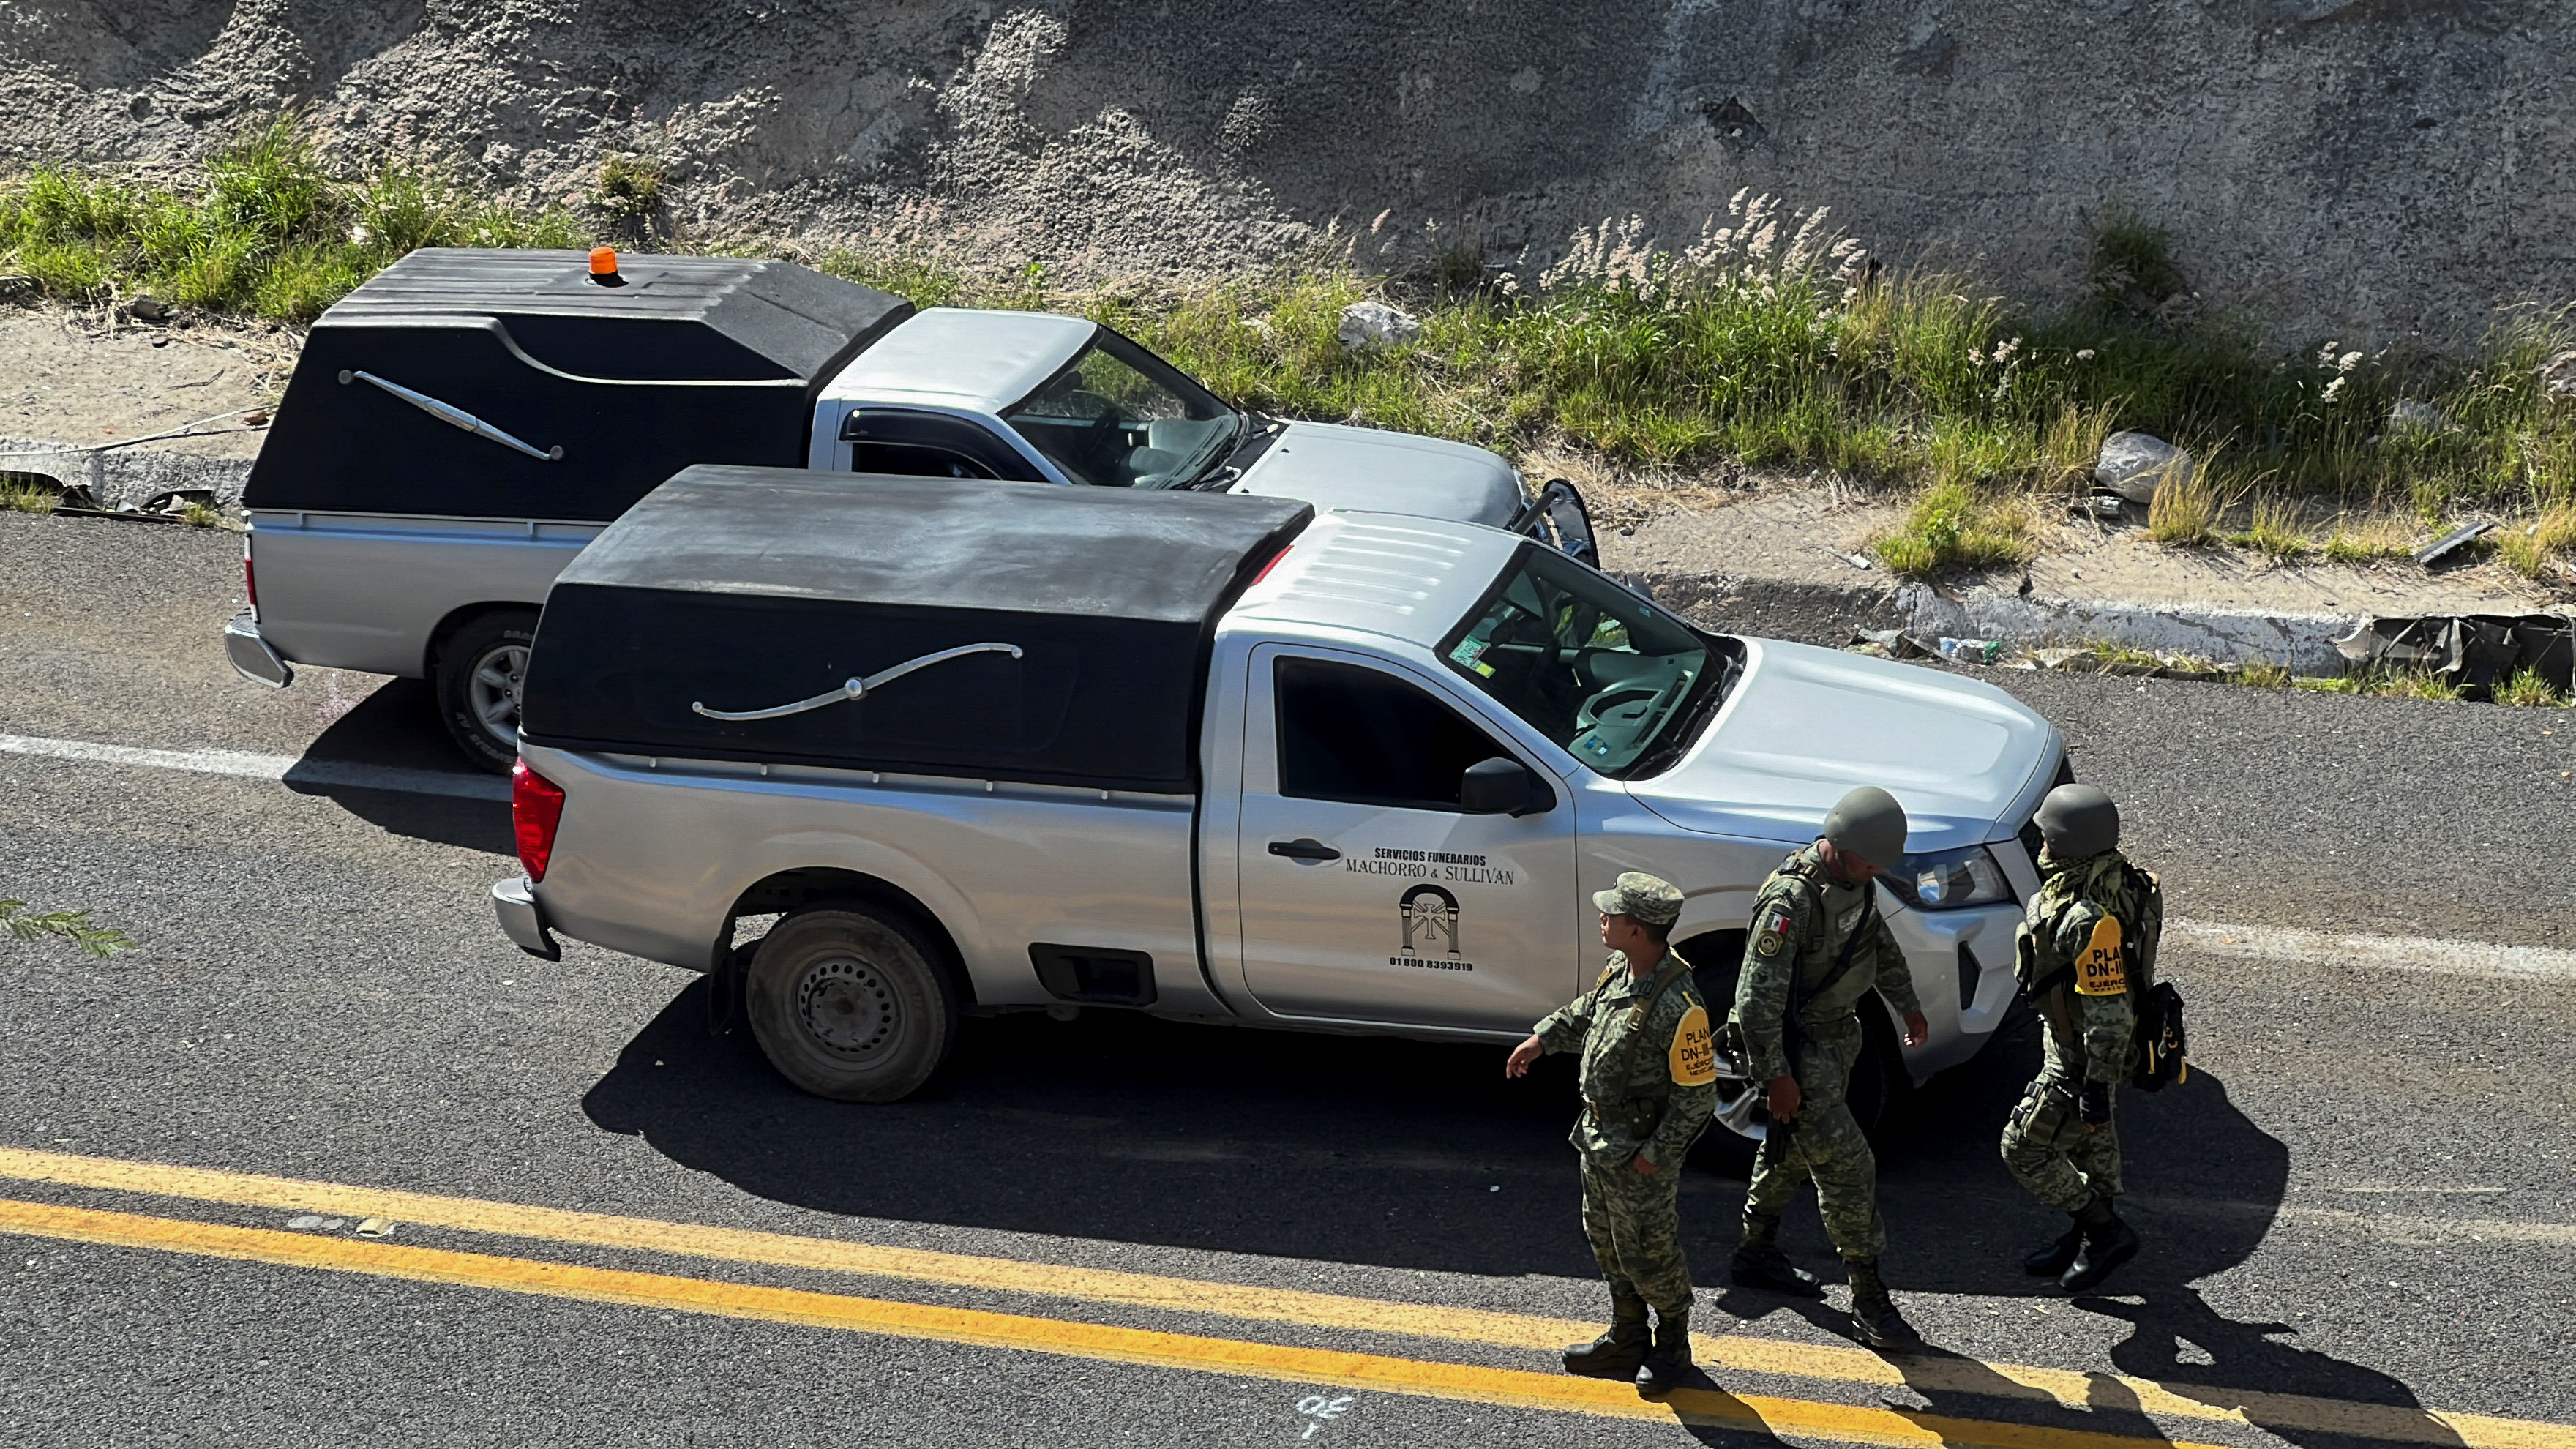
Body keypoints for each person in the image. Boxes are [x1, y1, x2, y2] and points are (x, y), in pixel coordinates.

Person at [1727, 786, 1930, 1349]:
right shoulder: (1790, 902)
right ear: (1838, 846)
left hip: (1839, 1041)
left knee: (1788, 1154)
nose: (1874, 872)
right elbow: (1755, 1003)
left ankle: (1754, 1252)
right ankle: (1869, 1299)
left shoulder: (1856, 883)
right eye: (1867, 862)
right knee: (1850, 1168)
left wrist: (1908, 1003)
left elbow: (1878, 943)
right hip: (1799, 1051)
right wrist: (1777, 1078)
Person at [1506, 872, 1717, 1396]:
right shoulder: (1620, 968)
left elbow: (1698, 1097)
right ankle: (1627, 1334)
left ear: (1639, 930)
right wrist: (1543, 1039)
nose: (1603, 916)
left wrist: (1656, 1155)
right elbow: (1587, 1011)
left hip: (1639, 1153)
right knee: (1606, 1242)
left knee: (1650, 1252)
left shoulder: (1680, 1005)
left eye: (1613, 913)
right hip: (1598, 1140)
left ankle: (1672, 1344)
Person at [2002, 782, 2150, 1291]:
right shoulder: (2116, 878)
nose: (2040, 843)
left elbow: (2107, 1013)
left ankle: (2105, 1233)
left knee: (2022, 1149)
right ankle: (2086, 1236)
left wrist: (2093, 1086)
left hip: (2083, 1055)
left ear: (2064, 843)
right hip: (2079, 1044)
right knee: (2093, 1148)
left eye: (2045, 835)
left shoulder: (2089, 918)